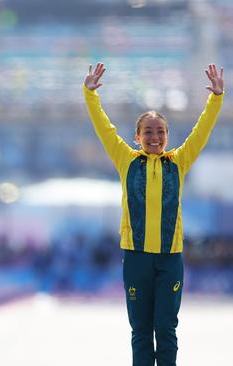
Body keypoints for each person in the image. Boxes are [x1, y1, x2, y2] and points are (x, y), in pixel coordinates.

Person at [83, 63, 224, 365]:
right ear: (137, 137)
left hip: (169, 259)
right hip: (136, 258)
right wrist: (91, 95)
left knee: (166, 328)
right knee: (141, 330)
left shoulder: (179, 162)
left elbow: (202, 131)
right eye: (148, 132)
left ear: (167, 136)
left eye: (160, 132)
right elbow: (104, 129)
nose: (155, 137)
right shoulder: (126, 160)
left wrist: (216, 99)